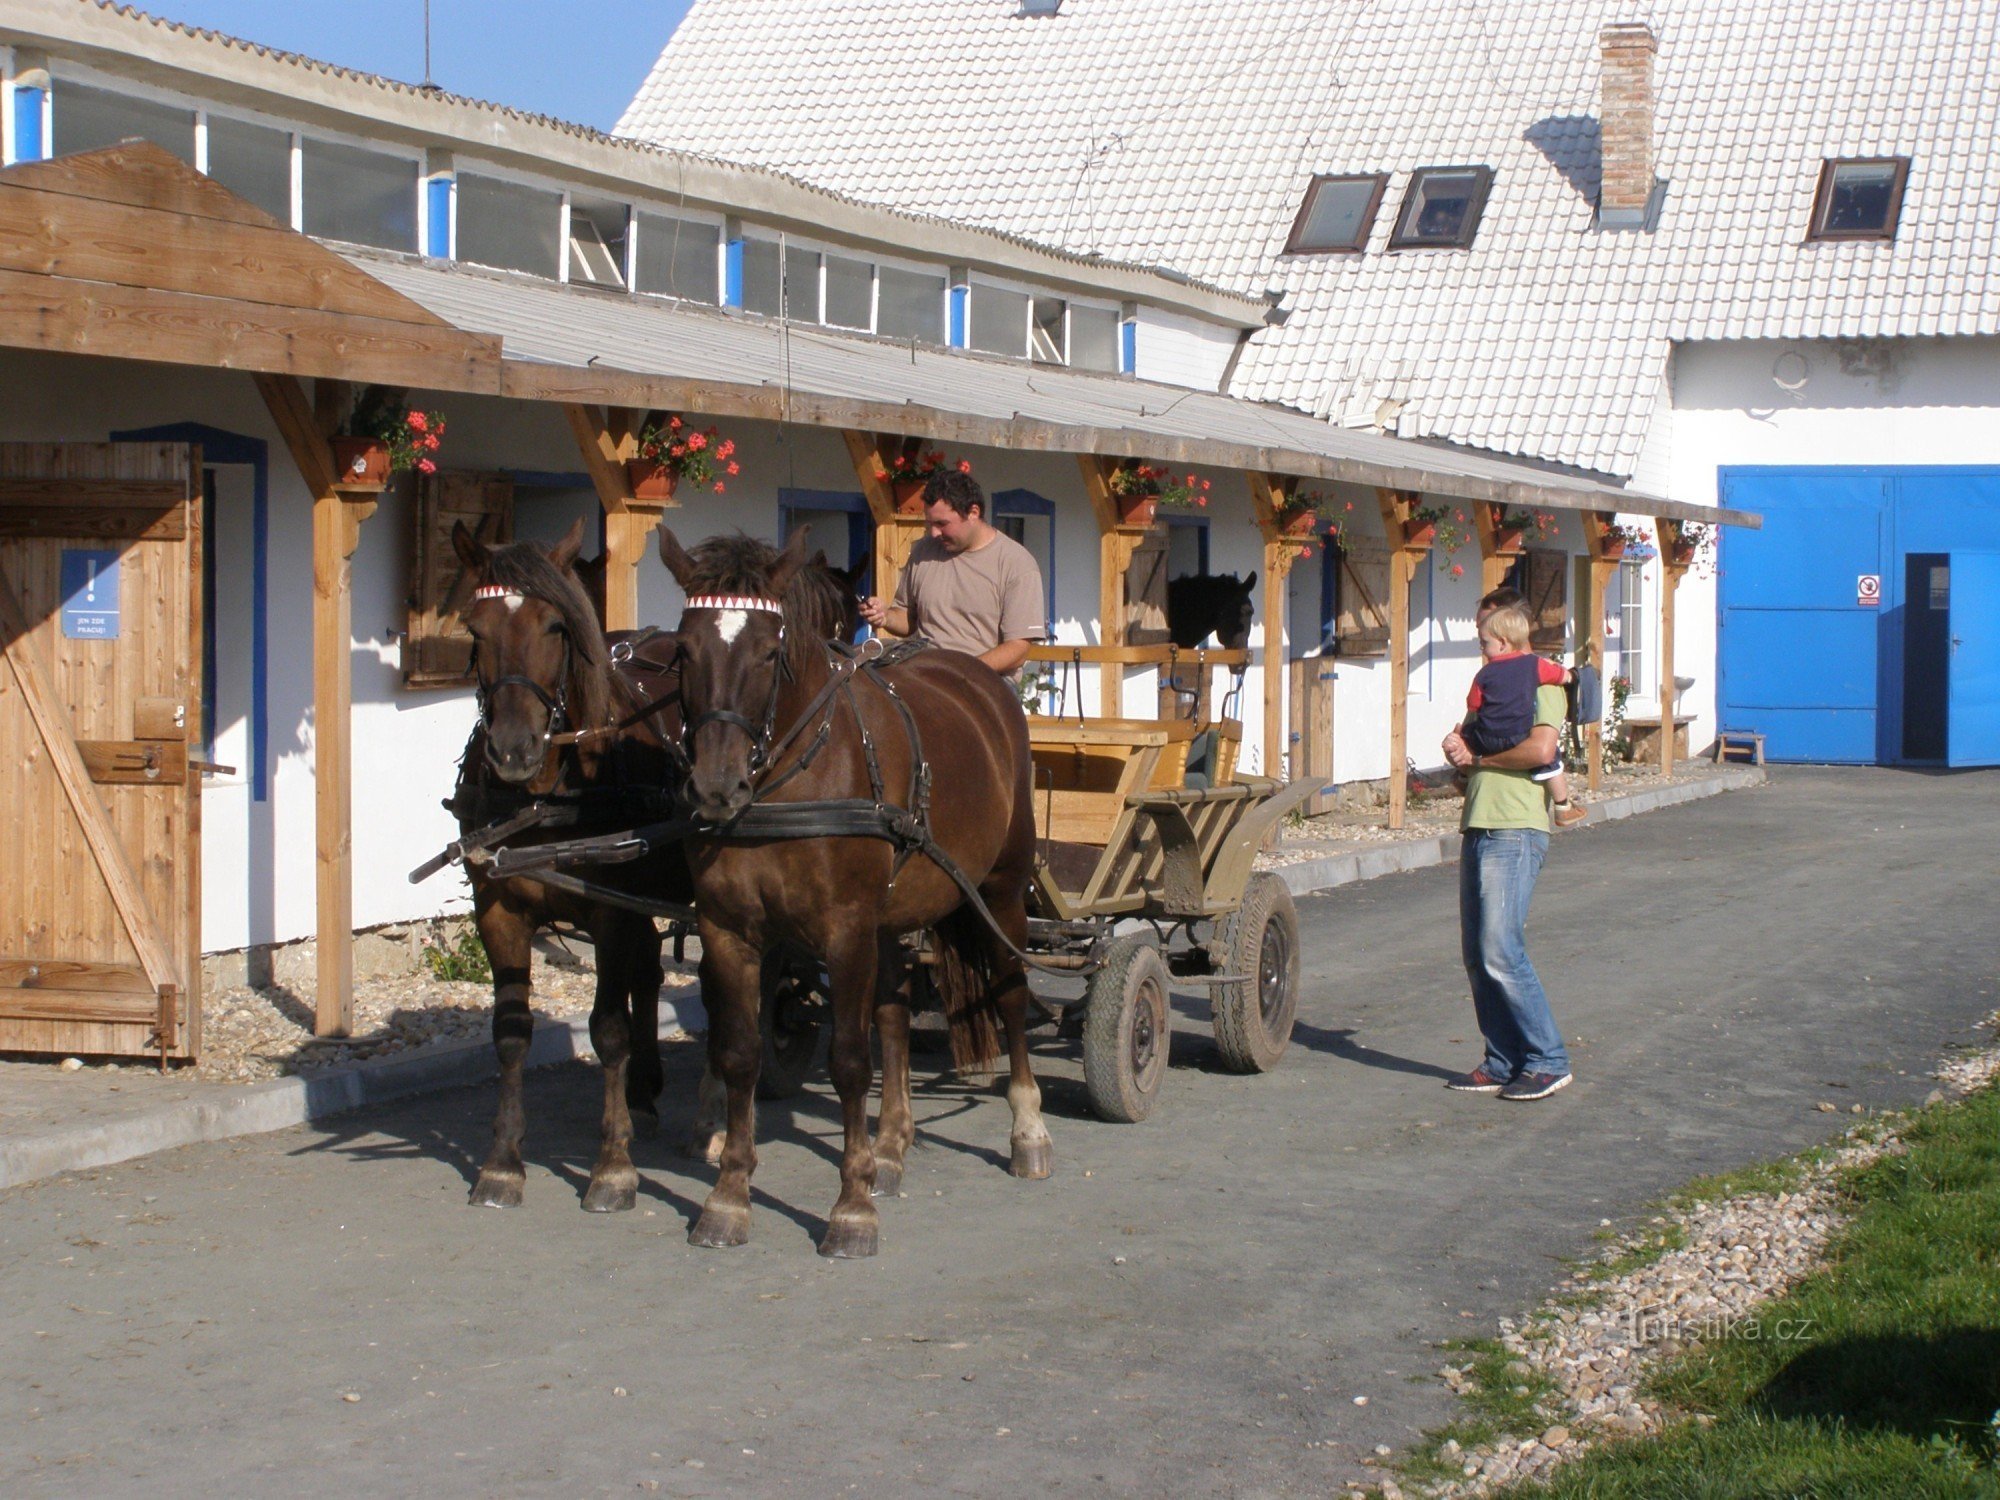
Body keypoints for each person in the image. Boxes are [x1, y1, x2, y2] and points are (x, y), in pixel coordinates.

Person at [1441, 598, 1573, 1102]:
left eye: (1485, 633)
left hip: (1517, 827)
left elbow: (1540, 751)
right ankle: (1502, 1059)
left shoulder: (1543, 686)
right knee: (1477, 953)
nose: (1481, 643)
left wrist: (1481, 758)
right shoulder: (1492, 687)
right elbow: (1471, 747)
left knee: (1500, 948)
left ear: (1511, 633)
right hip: (1479, 823)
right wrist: (1459, 753)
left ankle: (1547, 1058)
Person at [859, 469, 1046, 678]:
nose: (934, 533)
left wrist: (958, 671)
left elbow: (1018, 649)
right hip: (924, 676)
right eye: (930, 523)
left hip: (987, 682)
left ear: (973, 513)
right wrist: (885, 617)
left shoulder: (1016, 563)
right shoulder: (923, 551)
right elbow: (908, 619)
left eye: (942, 524)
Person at [1465, 604, 1587, 828]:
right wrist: (1571, 678)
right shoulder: (1534, 666)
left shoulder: (1483, 674)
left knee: (1467, 732)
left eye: (1484, 643)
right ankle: (1563, 806)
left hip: (1487, 740)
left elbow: (1473, 704)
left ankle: (1463, 776)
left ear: (1502, 643)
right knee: (1552, 762)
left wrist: (1469, 740)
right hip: (1519, 736)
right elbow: (1561, 676)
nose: (1481, 648)